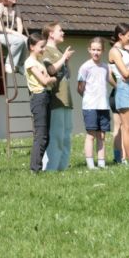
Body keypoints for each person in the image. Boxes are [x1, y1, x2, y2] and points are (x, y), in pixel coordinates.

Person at [41, 22, 75, 171]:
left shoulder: (60, 51)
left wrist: (66, 61)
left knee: (66, 136)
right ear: (51, 34)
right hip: (56, 99)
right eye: (60, 30)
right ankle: (50, 169)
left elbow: (68, 75)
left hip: (66, 99)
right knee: (56, 136)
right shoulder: (45, 50)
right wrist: (63, 58)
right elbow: (51, 70)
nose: (63, 33)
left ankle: (62, 168)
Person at [78, 37, 114, 169]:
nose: (96, 52)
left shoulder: (105, 67)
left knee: (102, 135)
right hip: (90, 106)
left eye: (98, 50)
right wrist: (89, 98)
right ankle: (90, 164)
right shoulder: (85, 67)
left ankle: (101, 163)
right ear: (89, 50)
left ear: (103, 51)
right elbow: (80, 88)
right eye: (93, 49)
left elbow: (112, 81)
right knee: (91, 135)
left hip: (103, 106)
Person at [108, 24, 129, 163]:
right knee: (126, 127)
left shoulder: (125, 51)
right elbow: (126, 73)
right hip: (125, 89)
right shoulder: (115, 52)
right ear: (120, 36)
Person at [24, 32, 56, 173]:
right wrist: (52, 79)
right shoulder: (30, 62)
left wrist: (49, 79)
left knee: (46, 136)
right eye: (41, 47)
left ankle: (38, 167)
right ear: (32, 47)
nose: (43, 49)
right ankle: (35, 169)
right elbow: (44, 80)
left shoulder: (39, 62)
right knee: (41, 135)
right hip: (39, 98)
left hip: (45, 96)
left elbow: (47, 79)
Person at [0, 0, 28, 74]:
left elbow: (19, 24)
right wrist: (14, 33)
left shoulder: (16, 8)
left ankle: (20, 64)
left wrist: (19, 34)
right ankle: (9, 63)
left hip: (11, 36)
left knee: (26, 40)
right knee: (18, 41)